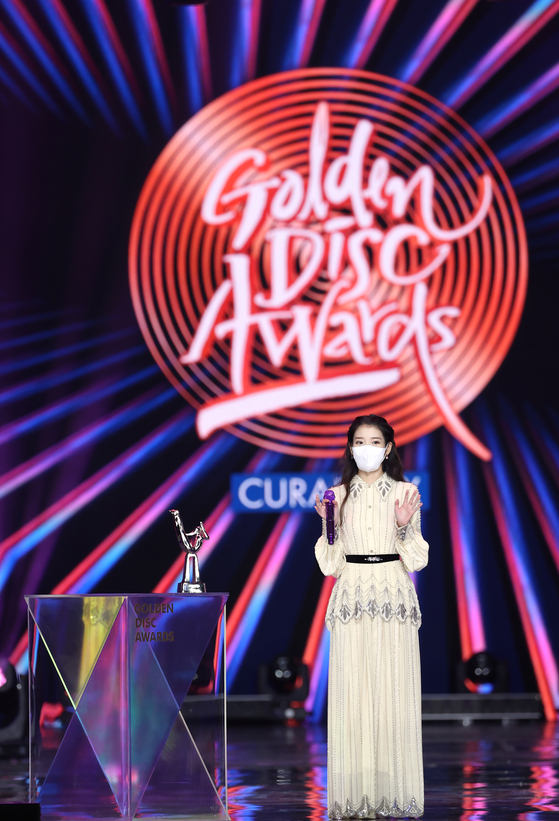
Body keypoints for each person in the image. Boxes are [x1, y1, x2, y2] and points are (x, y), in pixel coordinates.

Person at [314, 414, 428, 819]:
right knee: (354, 693)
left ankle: (394, 793)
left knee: (393, 691)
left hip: (392, 594)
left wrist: (403, 527)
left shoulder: (405, 492)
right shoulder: (335, 496)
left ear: (388, 448)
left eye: (375, 441)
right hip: (352, 594)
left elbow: (417, 557)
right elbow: (330, 562)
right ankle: (355, 797)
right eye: (359, 441)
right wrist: (329, 523)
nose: (367, 448)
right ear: (350, 448)